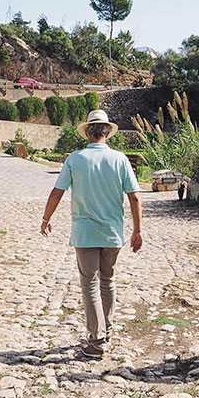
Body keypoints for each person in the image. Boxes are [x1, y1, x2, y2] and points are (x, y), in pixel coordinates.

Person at [40, 109, 143, 359]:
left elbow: (57, 192)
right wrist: (137, 231)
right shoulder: (120, 160)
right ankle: (106, 330)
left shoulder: (75, 159)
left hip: (85, 233)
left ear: (87, 131)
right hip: (112, 232)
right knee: (108, 281)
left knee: (89, 284)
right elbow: (134, 197)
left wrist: (46, 218)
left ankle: (96, 343)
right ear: (107, 132)